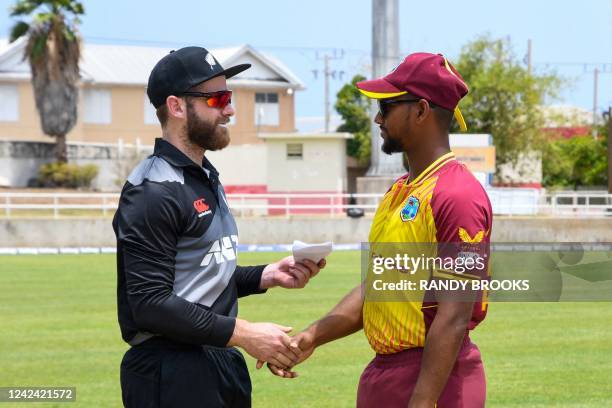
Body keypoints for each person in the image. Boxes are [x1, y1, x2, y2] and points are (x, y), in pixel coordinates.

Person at [267, 53, 493, 408]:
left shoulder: (457, 195)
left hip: (435, 379)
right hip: (386, 375)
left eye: (386, 107)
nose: (377, 118)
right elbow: (380, 284)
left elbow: (453, 315)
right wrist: (313, 335)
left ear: (420, 111)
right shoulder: (401, 190)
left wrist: (421, 402)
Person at [113, 46, 325, 408]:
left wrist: (266, 276)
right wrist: (245, 333)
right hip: (172, 371)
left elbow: (198, 277)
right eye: (218, 99)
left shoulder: (203, 176)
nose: (229, 109)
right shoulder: (153, 190)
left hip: (218, 360)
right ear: (178, 107)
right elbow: (150, 302)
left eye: (229, 97)